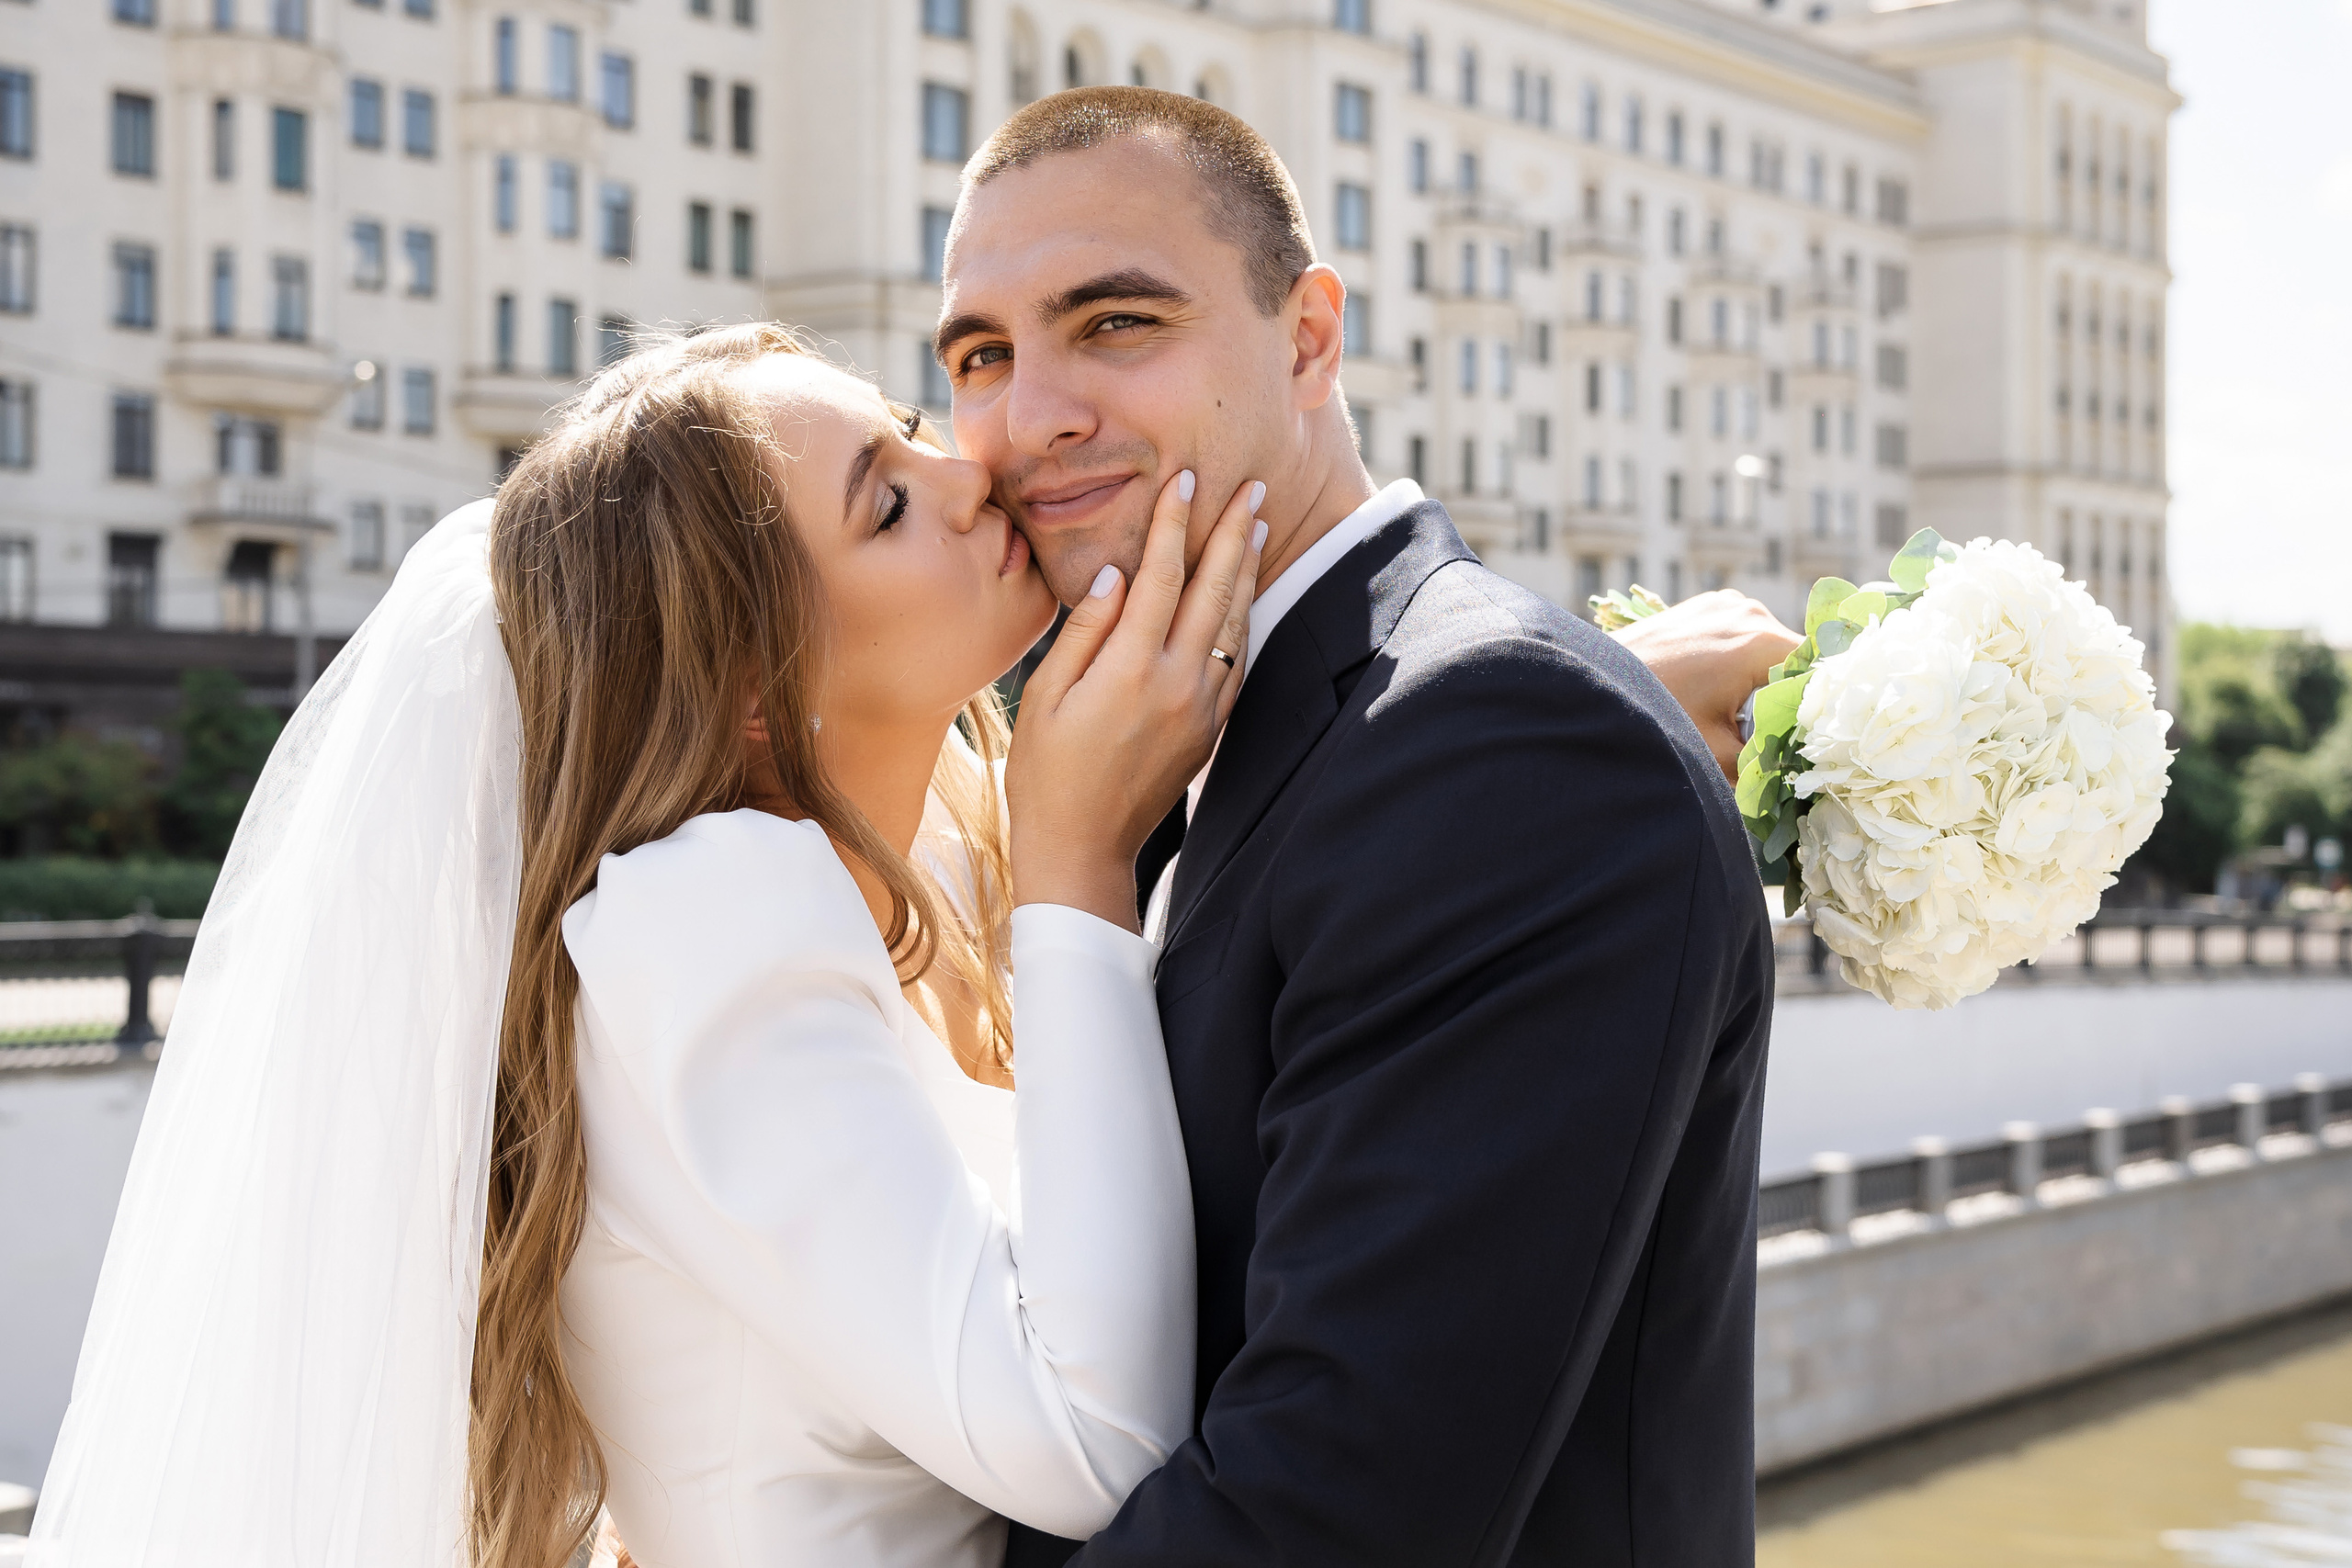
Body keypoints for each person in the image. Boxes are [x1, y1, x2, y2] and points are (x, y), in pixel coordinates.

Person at [28, 323, 1264, 1568]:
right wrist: (1081, 865)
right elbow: (1094, 1440)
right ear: (752, 687)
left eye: (910, 434)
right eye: (887, 506)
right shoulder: (709, 928)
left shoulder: (929, 862)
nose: (967, 479)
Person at [932, 89, 1783, 1566]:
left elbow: (1321, 1514)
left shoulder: (1511, 753)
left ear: (1309, 338)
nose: (1032, 414)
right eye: (983, 355)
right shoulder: (1176, 743)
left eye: (1117, 323)